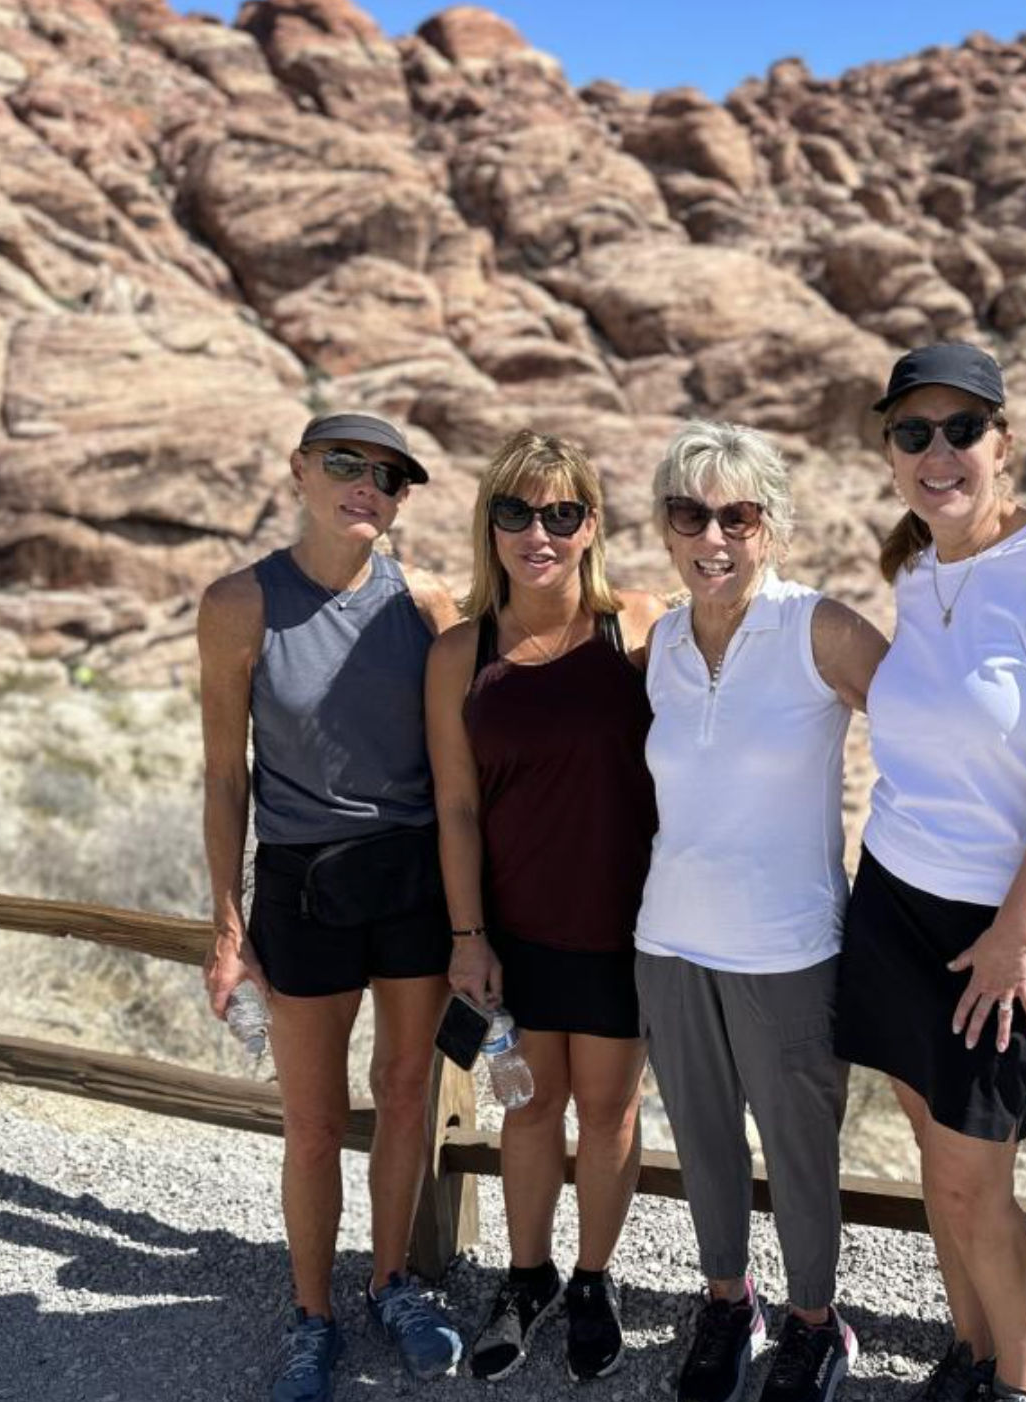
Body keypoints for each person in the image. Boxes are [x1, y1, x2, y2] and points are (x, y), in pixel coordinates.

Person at [833, 345, 1026, 1402]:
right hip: (897, 900)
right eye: (912, 432)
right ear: (888, 450)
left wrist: (1013, 935)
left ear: (1003, 443)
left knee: (974, 1175)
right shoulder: (916, 571)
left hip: (1007, 928)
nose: (937, 452)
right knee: (937, 1159)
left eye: (961, 429)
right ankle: (966, 1357)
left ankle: (1022, 1383)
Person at [199, 412, 465, 1402]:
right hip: (303, 888)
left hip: (413, 882)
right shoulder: (239, 604)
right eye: (348, 465)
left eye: (390, 478)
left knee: (405, 1094)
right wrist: (228, 925)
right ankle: (312, 1313)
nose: (369, 487)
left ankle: (390, 1280)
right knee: (313, 1122)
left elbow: (461, 770)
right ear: (301, 471)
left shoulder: (426, 602)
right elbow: (226, 776)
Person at [631, 421, 888, 1402]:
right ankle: (727, 1304)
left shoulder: (818, 627)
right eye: (689, 513)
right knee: (701, 1142)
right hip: (669, 938)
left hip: (788, 946)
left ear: (770, 525)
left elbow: (931, 733)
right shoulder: (659, 639)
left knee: (798, 1151)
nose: (713, 536)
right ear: (664, 524)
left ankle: (816, 1324)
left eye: (737, 515)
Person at [426, 428, 666, 1385]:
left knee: (607, 1112)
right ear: (489, 525)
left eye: (561, 513)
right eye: (516, 512)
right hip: (514, 932)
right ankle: (528, 1280)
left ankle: (594, 1280)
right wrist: (467, 936)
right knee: (529, 1115)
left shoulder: (637, 628)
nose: (540, 532)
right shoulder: (459, 653)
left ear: (590, 525)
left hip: (626, 926)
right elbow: (454, 805)